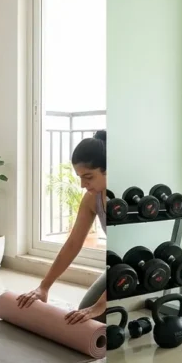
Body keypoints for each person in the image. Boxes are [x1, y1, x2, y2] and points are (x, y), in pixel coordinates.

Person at [17, 130, 109, 325]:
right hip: (117, 267)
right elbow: (73, 243)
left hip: (140, 265)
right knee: (86, 311)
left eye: (89, 177)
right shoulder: (92, 199)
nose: (83, 184)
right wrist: (44, 287)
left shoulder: (126, 199)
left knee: (100, 313)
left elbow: (131, 255)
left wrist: (102, 304)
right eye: (80, 177)